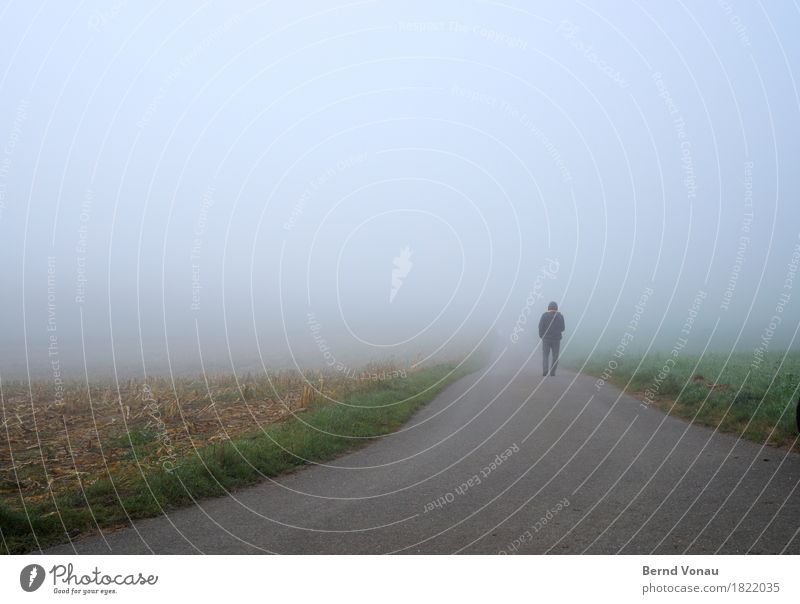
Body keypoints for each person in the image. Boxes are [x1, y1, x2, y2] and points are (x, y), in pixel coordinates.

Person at [538, 301, 565, 376]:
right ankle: (552, 372)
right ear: (556, 308)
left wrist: (541, 336)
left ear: (548, 308)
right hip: (556, 339)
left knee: (545, 355)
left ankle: (545, 370)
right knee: (555, 356)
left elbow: (540, 327)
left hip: (546, 339)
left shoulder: (544, 315)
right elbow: (563, 328)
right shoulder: (560, 316)